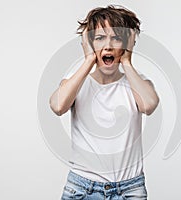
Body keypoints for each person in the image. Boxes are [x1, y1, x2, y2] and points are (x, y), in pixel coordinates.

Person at [50, 5, 159, 200]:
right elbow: (58, 106)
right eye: (100, 38)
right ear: (90, 43)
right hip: (82, 189)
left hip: (130, 190)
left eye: (116, 38)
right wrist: (89, 59)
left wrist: (127, 61)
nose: (108, 46)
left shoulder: (137, 82)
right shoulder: (76, 82)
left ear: (125, 45)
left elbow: (148, 105)